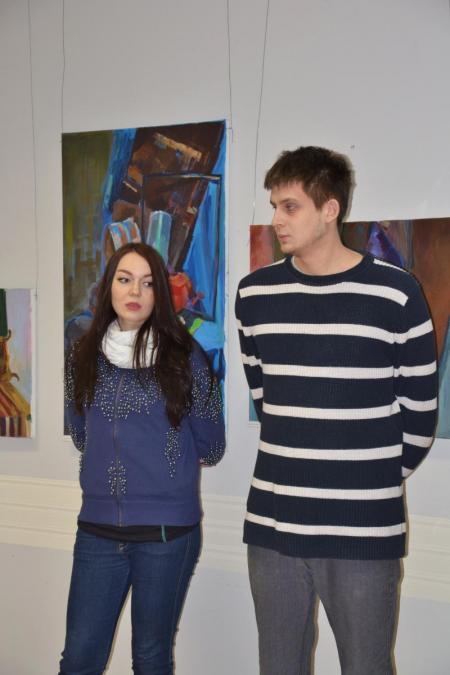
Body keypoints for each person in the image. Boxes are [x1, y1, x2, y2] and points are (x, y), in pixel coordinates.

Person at [235, 146, 438, 675]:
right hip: (274, 527)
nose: (277, 220)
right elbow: (266, 398)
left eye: (290, 206)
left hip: (363, 531)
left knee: (367, 667)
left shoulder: (396, 294)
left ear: (330, 209)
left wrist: (364, 479)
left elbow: (420, 417)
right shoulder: (254, 295)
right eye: (274, 206)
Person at [60, 242, 225, 675]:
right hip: (97, 530)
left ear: (160, 295)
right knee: (78, 659)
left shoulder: (187, 358)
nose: (135, 291)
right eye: (125, 279)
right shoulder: (81, 357)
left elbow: (212, 446)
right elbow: (81, 434)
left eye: (148, 283)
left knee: (151, 660)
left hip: (167, 534)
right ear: (108, 287)